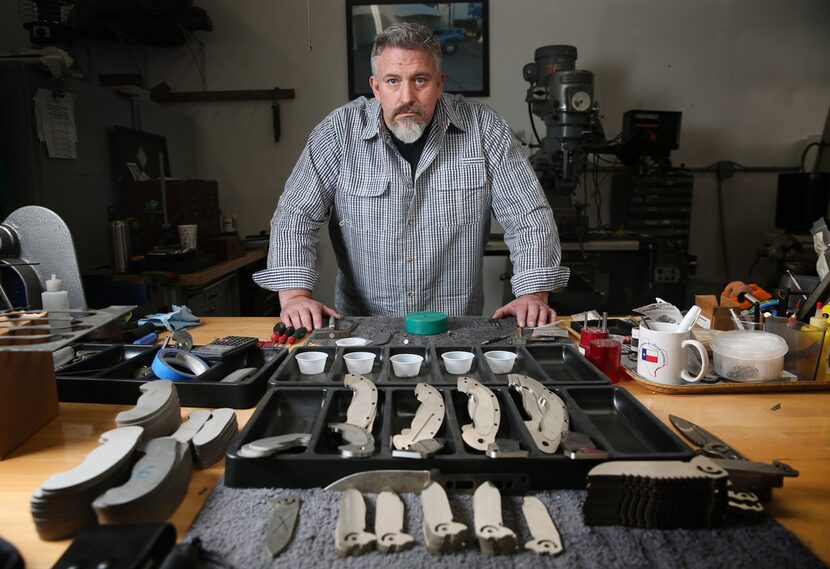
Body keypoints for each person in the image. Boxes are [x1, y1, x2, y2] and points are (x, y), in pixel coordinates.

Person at [253, 22, 569, 331]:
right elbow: (295, 216)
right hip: (362, 332)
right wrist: (294, 296)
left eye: (420, 80)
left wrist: (532, 293)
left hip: (455, 331)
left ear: (440, 83)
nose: (407, 96)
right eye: (393, 81)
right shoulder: (338, 133)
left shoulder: (485, 130)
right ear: (376, 87)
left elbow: (528, 216)